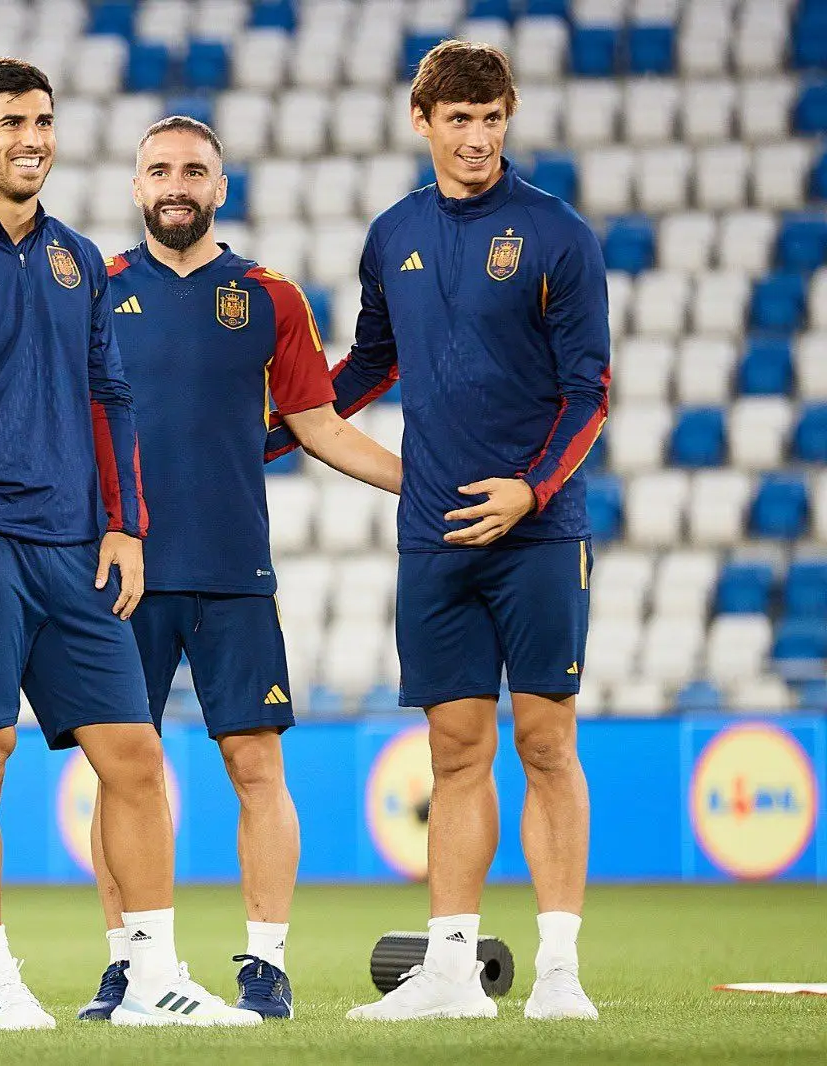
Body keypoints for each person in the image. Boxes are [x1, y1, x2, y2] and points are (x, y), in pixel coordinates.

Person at [0, 57, 261, 1031]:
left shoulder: (77, 260)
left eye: (44, 119)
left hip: (74, 550)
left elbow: (110, 398)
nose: (33, 137)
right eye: (13, 121)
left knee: (132, 756)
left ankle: (154, 975)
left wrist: (126, 523)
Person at [77, 116, 403, 1023]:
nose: (176, 184)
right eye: (159, 170)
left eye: (194, 170)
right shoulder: (91, 292)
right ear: (136, 186)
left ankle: (265, 965)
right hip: (120, 571)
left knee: (257, 767)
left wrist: (419, 487)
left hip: (232, 570)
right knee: (120, 770)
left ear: (221, 188)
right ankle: (132, 963)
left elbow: (320, 424)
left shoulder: (270, 296)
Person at [336, 41, 608, 1023]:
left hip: (536, 531)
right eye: (458, 118)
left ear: (509, 116)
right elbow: (368, 363)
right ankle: (451, 970)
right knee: (453, 748)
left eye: (491, 116)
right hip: (434, 533)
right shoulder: (391, 235)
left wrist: (530, 495)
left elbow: (591, 395)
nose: (477, 135)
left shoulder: (555, 234)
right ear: (422, 124)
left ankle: (559, 970)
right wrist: (273, 428)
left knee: (543, 739)